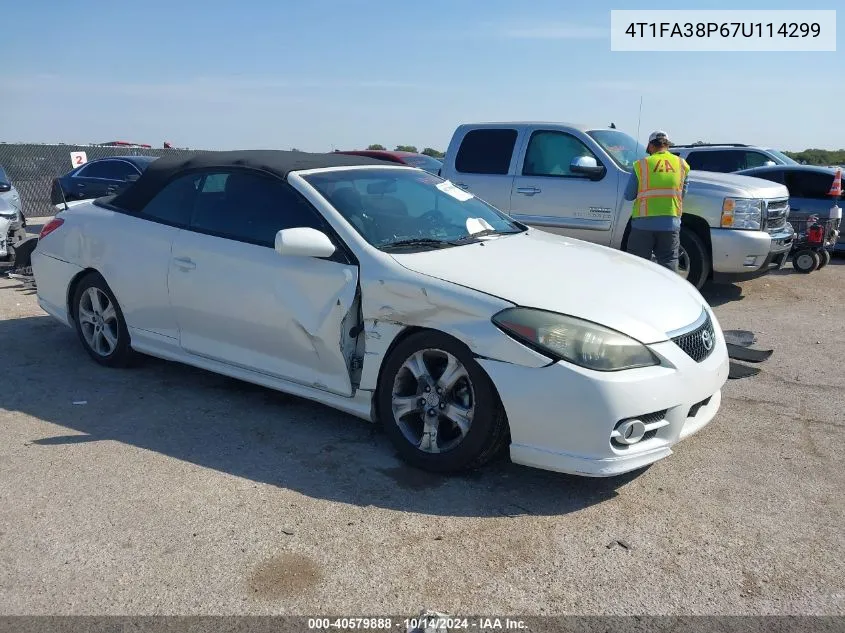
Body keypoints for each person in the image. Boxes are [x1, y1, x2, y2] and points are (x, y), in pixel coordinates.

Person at [623, 130, 690, 272]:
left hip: (642, 224)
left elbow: (628, 195)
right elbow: (681, 194)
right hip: (670, 223)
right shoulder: (682, 164)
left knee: (637, 265)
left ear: (651, 146)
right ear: (667, 146)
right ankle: (668, 293)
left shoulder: (641, 165)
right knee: (669, 263)